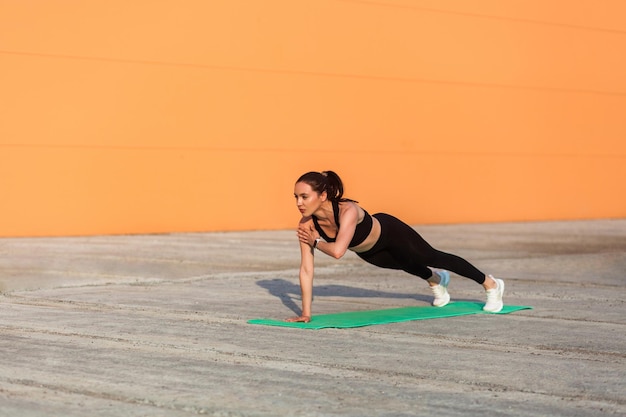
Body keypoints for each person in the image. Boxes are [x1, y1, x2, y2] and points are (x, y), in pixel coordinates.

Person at [287, 170, 505, 323]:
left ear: (322, 195)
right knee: (406, 265)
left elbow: (337, 252)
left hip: (392, 233)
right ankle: (437, 280)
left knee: (432, 256)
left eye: (304, 197)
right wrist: (306, 313)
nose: (299, 203)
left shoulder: (347, 211)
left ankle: (491, 284)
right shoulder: (306, 224)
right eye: (296, 197)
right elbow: (306, 269)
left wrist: (316, 242)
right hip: (369, 252)